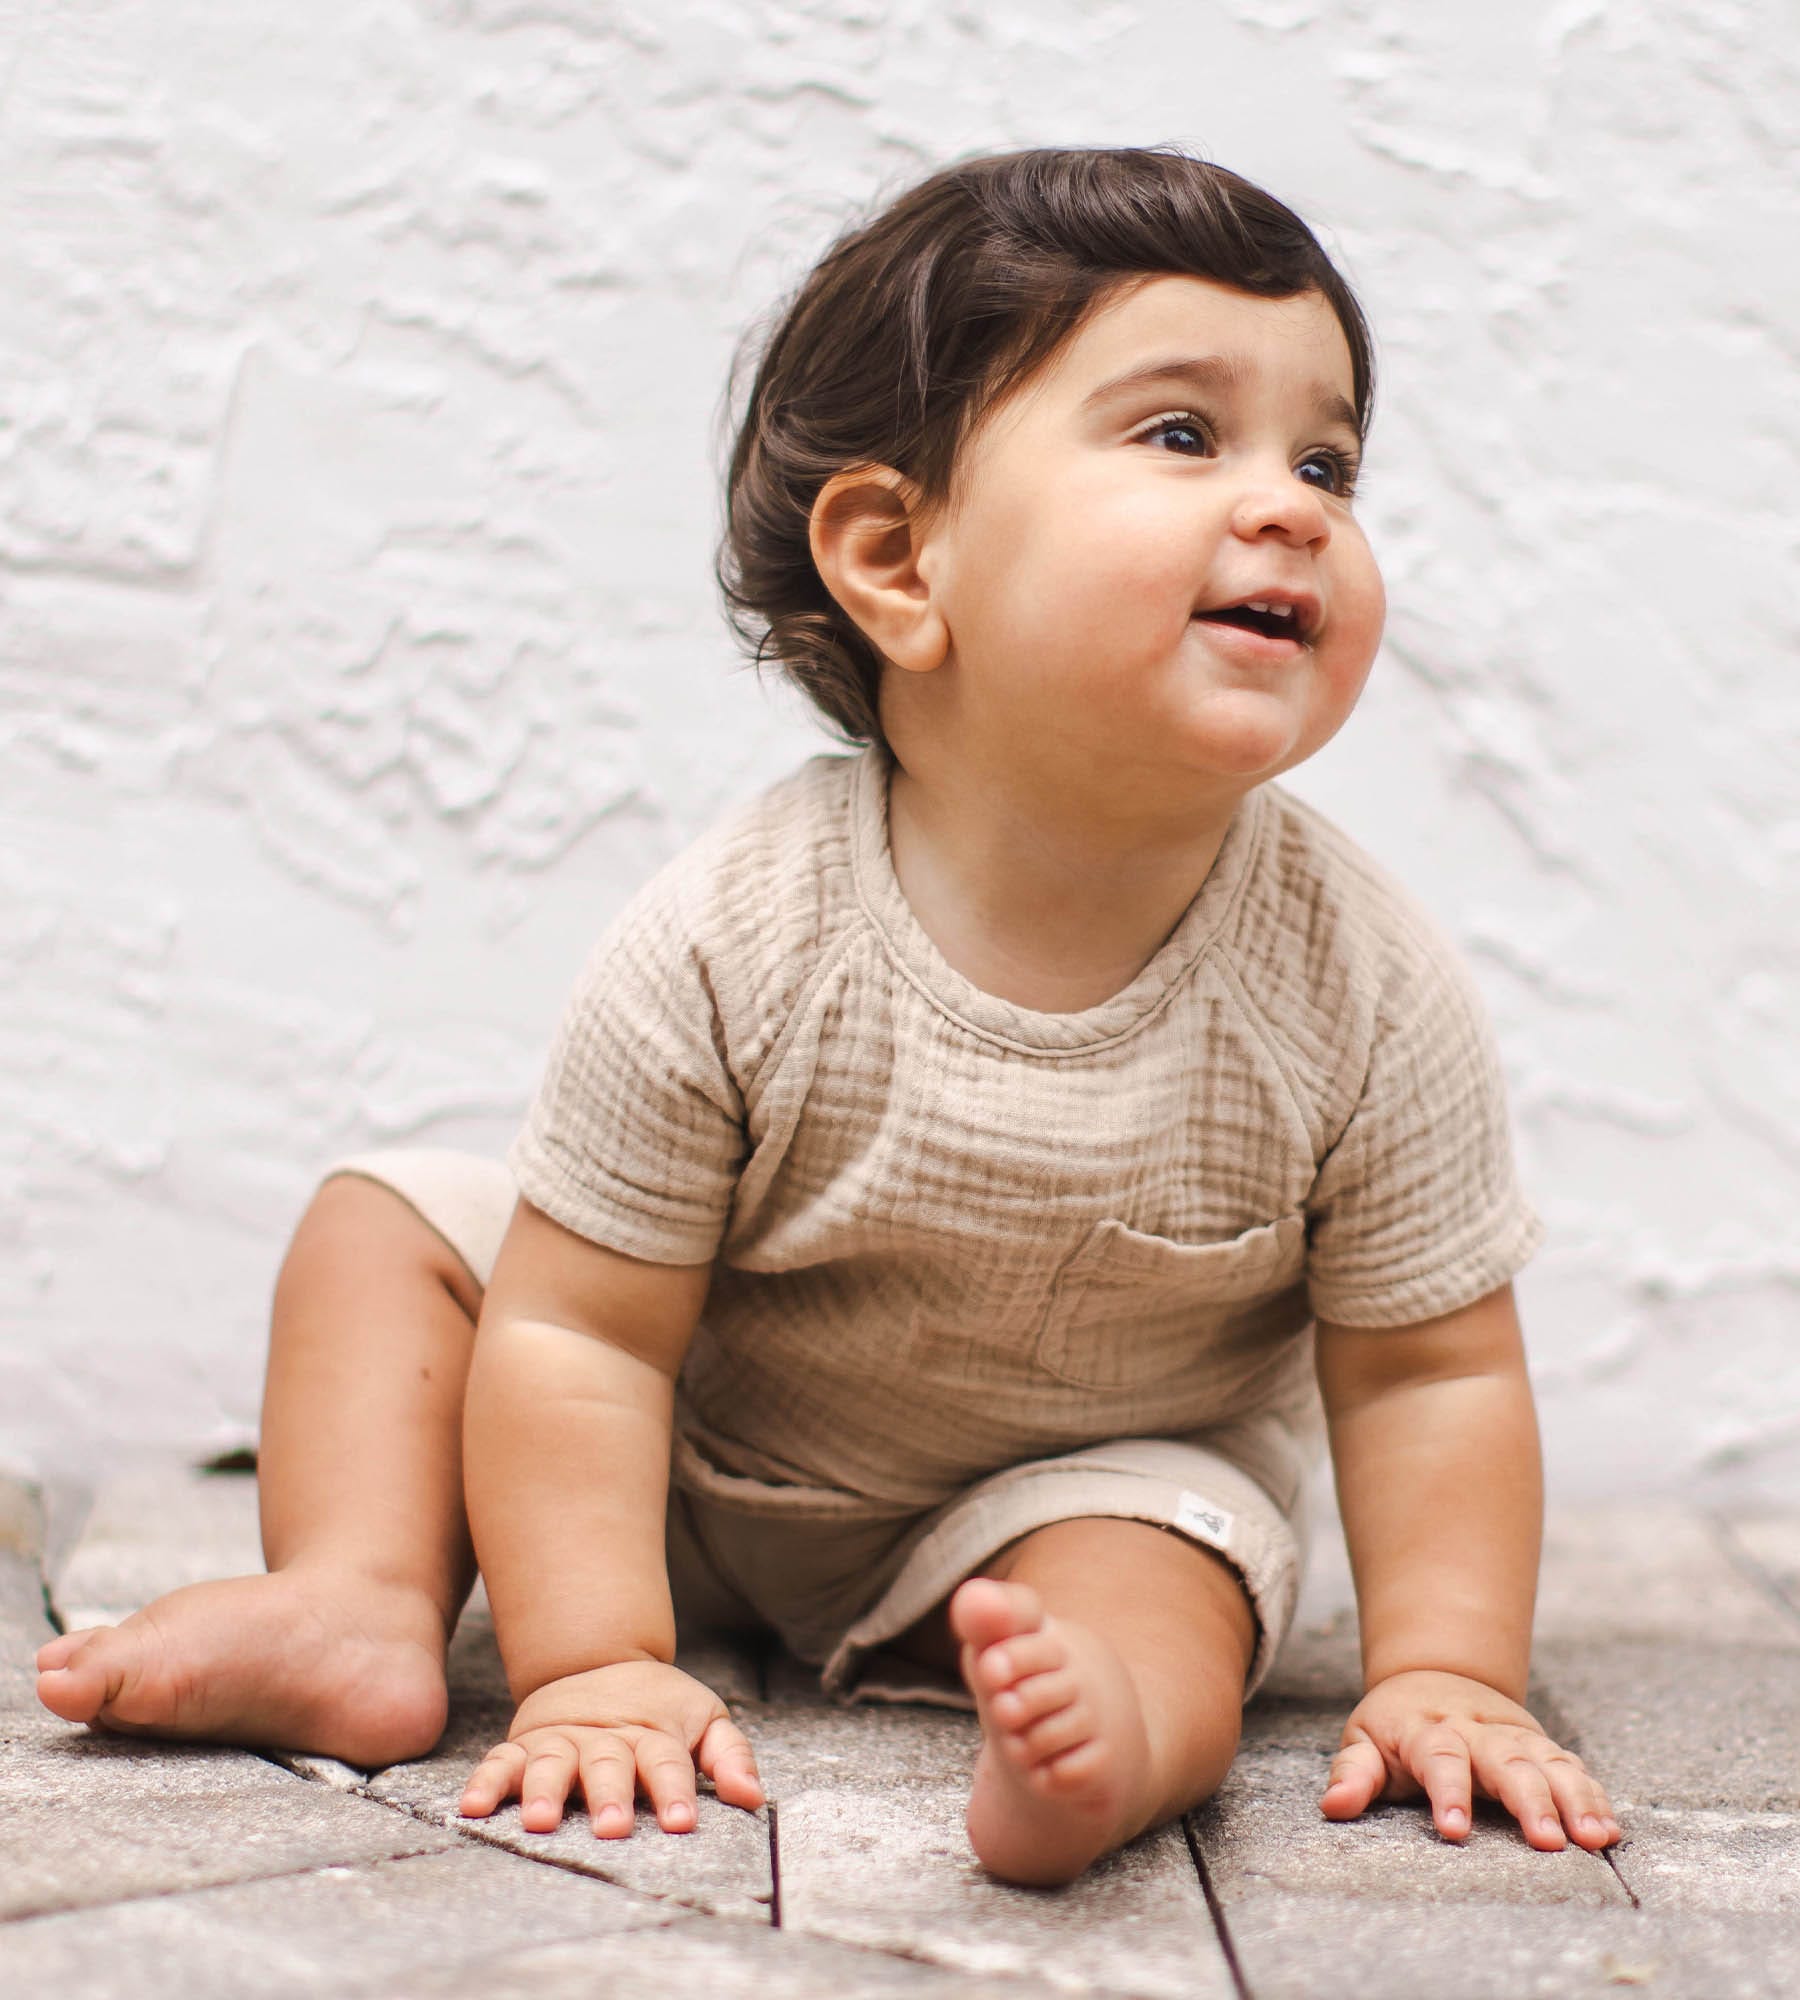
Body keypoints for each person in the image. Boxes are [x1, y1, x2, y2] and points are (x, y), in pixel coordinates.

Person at [35, 147, 1621, 1887]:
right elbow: (586, 1338)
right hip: (676, 1449)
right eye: (1184, 434)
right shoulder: (741, 927)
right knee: (389, 1228)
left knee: (1172, 1561)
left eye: (1325, 458)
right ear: (896, 555)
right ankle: (360, 1592)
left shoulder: (1363, 978)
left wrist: (1451, 1671)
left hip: (1058, 1498)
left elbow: (1428, 1376)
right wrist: (593, 1663)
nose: (1294, 505)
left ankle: (1094, 1749)